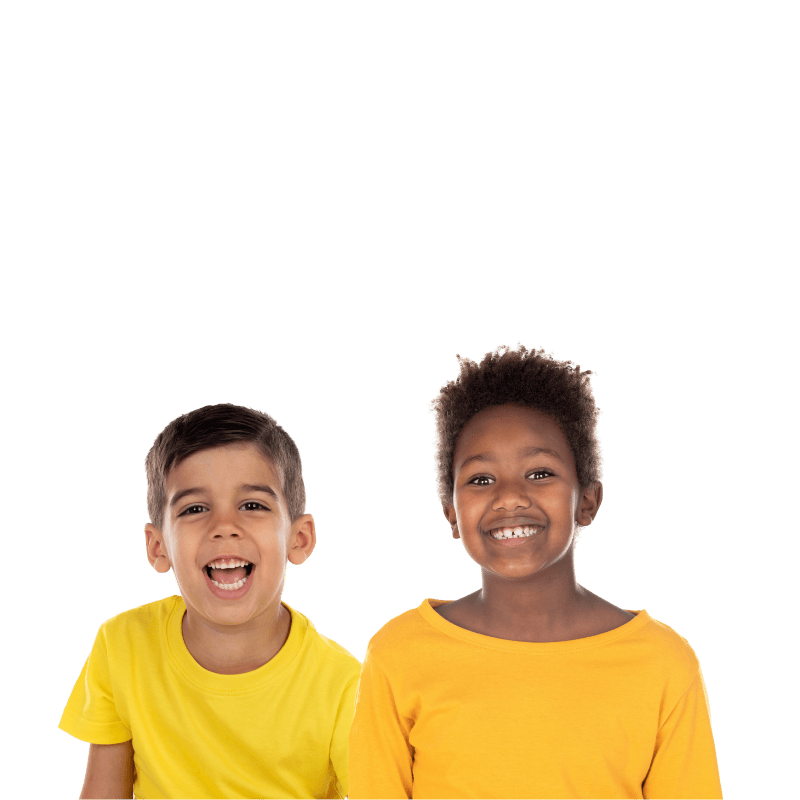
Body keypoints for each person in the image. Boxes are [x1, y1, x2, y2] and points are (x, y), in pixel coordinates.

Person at [348, 343, 723, 800]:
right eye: (480, 479)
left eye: (540, 473)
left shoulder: (663, 663)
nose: (509, 497)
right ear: (451, 512)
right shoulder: (398, 654)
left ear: (588, 499)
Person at [58, 403, 359, 800]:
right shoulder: (121, 645)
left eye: (252, 505)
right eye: (195, 509)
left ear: (298, 539)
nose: (224, 528)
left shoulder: (344, 686)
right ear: (157, 546)